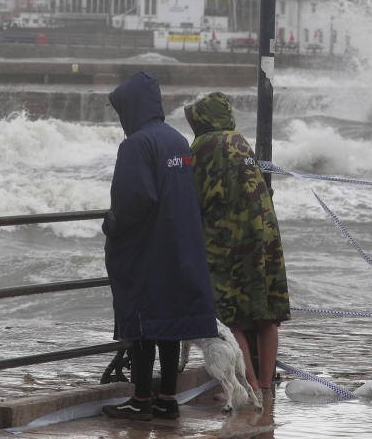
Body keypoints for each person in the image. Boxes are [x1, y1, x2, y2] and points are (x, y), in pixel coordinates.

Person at [101, 71, 218, 421]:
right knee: (170, 323)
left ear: (132, 108)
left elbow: (135, 199)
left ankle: (140, 399)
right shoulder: (177, 141)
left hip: (147, 249)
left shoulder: (136, 144)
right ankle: (168, 397)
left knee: (142, 325)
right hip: (180, 244)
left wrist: (111, 224)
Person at [184, 91, 291, 397]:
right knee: (266, 314)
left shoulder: (204, 145)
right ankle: (267, 387)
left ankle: (251, 385)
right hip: (266, 237)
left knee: (230, 317)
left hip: (229, 240)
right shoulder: (241, 141)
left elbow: (192, 195)